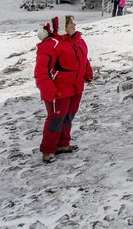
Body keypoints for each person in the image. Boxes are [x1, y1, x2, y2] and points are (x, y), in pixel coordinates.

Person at [33, 15, 93, 163]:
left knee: (68, 116)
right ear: (62, 28)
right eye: (71, 23)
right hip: (58, 89)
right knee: (56, 119)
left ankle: (63, 144)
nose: (74, 24)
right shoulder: (50, 44)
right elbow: (41, 71)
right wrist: (47, 90)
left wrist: (88, 72)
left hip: (75, 87)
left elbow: (83, 59)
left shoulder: (78, 40)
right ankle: (48, 150)